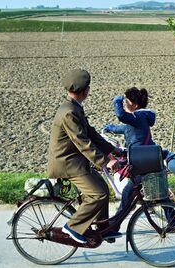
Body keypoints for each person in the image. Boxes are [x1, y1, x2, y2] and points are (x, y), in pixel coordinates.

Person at [47, 69, 122, 244]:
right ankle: (73, 227)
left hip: (74, 161)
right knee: (98, 194)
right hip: (68, 163)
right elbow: (82, 142)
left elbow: (91, 133)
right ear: (85, 91)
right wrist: (105, 161)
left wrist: (112, 149)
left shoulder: (73, 107)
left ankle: (103, 228)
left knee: (102, 188)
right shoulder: (69, 112)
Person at [104, 87, 175, 231]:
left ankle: (114, 226)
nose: (125, 104)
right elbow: (125, 128)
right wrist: (110, 128)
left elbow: (121, 116)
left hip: (141, 161)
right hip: (147, 159)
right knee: (159, 194)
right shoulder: (139, 118)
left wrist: (117, 101)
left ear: (135, 105)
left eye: (127, 101)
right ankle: (174, 224)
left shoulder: (138, 117)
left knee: (128, 193)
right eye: (124, 101)